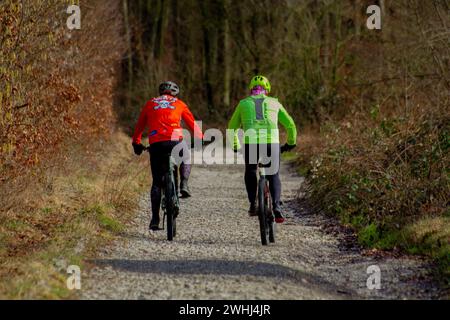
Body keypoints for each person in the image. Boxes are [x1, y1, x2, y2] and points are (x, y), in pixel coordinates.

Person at [132, 81, 203, 231]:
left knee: (157, 182)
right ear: (174, 93)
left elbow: (139, 126)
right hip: (175, 141)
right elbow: (192, 124)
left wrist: (136, 143)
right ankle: (184, 183)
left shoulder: (150, 103)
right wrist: (200, 138)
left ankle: (155, 219)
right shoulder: (179, 103)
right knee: (185, 156)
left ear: (160, 93)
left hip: (157, 143)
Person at [228, 75, 297, 224]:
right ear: (267, 89)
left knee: (251, 170)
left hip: (251, 143)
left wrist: (235, 145)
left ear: (251, 89)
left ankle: (253, 203)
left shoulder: (243, 103)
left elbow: (231, 127)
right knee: (273, 174)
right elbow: (290, 124)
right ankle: (277, 207)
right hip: (271, 143)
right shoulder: (274, 103)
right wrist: (291, 142)